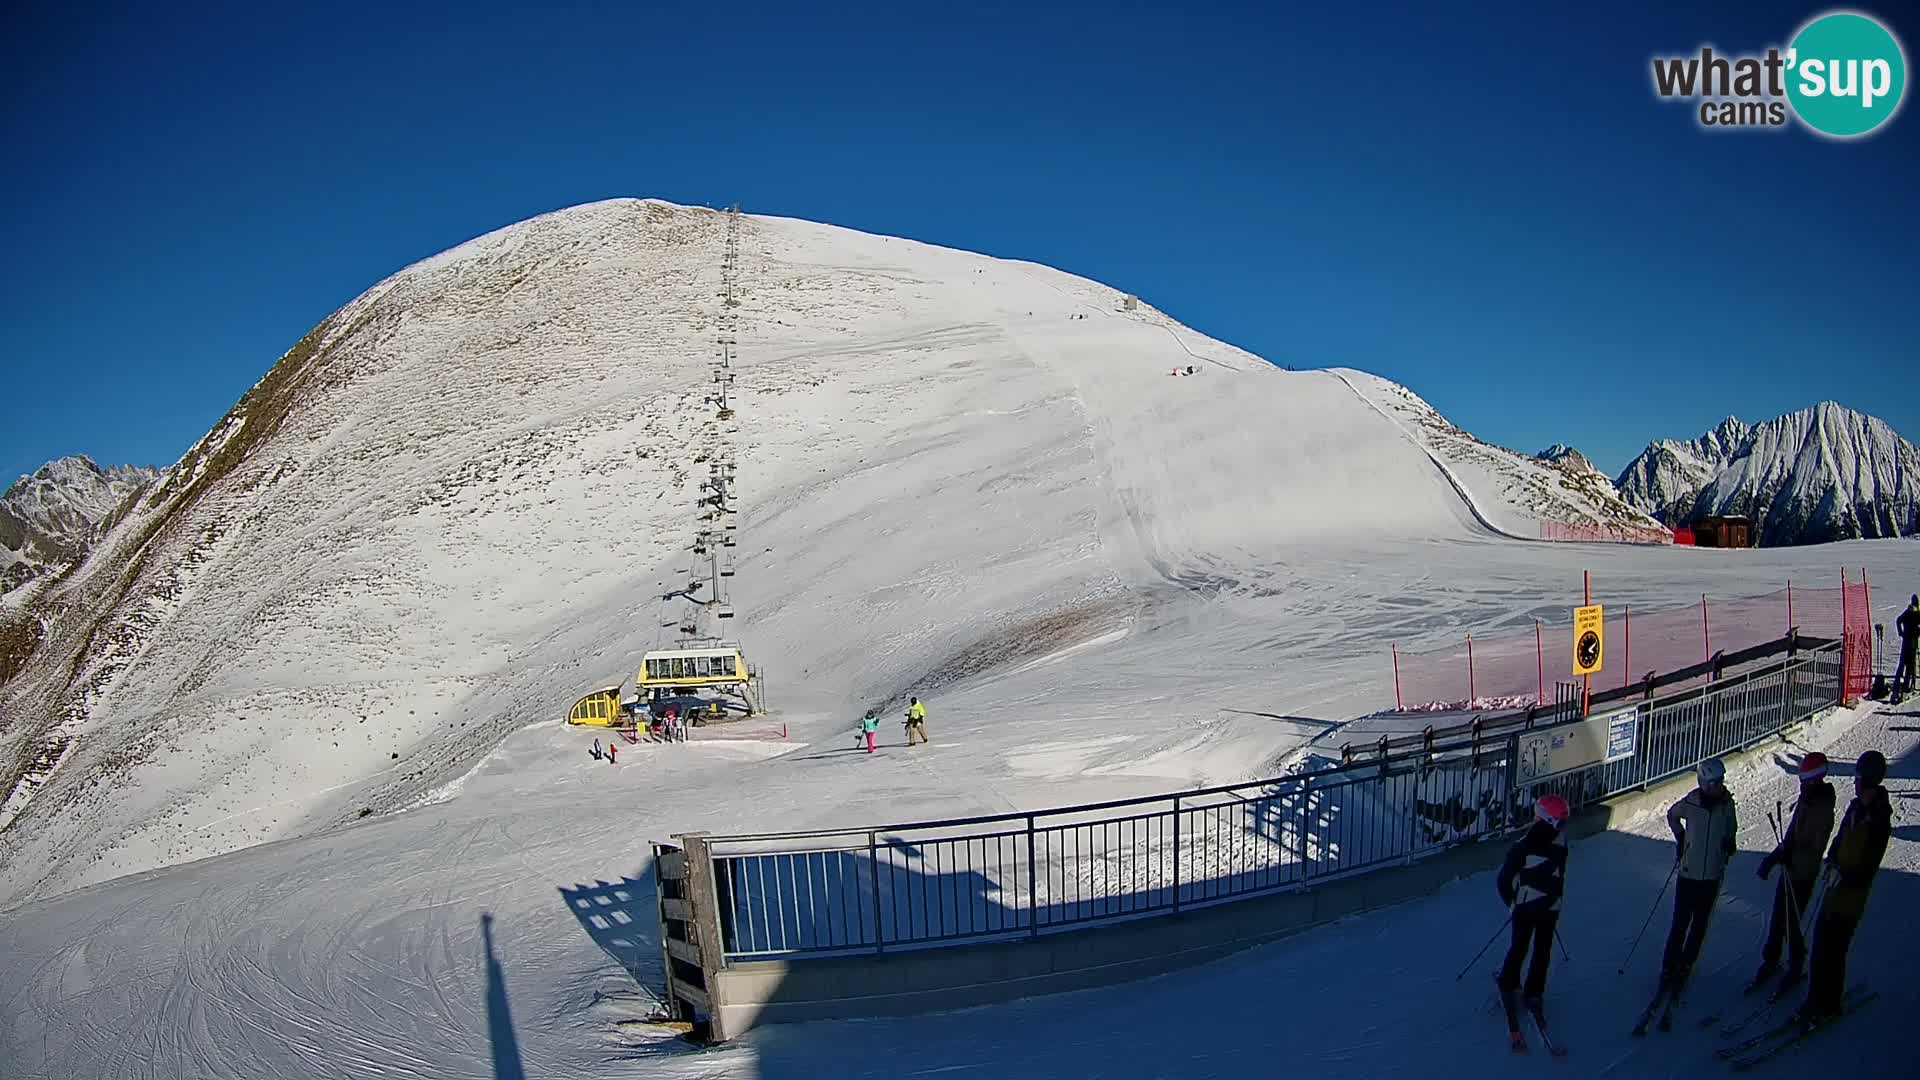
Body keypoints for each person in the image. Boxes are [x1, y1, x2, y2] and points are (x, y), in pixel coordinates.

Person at [1797, 749, 1893, 1024]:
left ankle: (1828, 1003)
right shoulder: (1854, 808)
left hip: (1851, 896)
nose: (1855, 782)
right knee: (1820, 944)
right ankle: (1816, 999)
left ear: (1869, 781)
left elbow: (1869, 866)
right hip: (1834, 888)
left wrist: (1846, 877)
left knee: (1834, 949)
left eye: (1859, 778)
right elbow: (1839, 839)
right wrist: (1831, 861)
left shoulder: (1878, 819)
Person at [1752, 752, 1835, 991]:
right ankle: (1771, 959)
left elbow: (1814, 846)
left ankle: (1797, 963)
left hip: (1803, 873)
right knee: (1778, 916)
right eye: (1801, 781)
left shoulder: (1822, 808)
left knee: (1790, 920)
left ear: (1817, 780)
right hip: (1791, 868)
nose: (1802, 786)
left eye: (1806, 781)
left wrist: (1790, 855)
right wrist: (1777, 855)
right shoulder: (1807, 799)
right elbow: (1792, 833)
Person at [1661, 756, 1738, 994]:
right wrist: (1681, 836)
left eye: (1721, 780)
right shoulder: (1691, 802)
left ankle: (1685, 966)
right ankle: (1669, 967)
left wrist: (1729, 842)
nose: (1719, 786)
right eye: (1713, 782)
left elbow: (1731, 827)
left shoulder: (1726, 804)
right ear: (1703, 782)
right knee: (1680, 923)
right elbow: (1672, 815)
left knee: (1699, 925)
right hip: (1689, 873)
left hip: (1712, 875)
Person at [1495, 793, 1571, 1032]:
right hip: (1551, 906)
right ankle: (1534, 993)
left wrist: (1512, 902)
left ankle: (1508, 984)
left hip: (1526, 907)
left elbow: (1503, 881)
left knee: (1519, 946)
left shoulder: (1522, 847)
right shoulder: (1562, 842)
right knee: (1543, 950)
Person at [1894, 595, 1919, 702]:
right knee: (1910, 665)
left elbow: (1898, 620)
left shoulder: (1908, 611)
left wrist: (1901, 632)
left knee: (1902, 663)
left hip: (1905, 641)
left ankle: (1896, 685)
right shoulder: (1917, 613)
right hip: (1913, 643)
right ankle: (1906, 686)